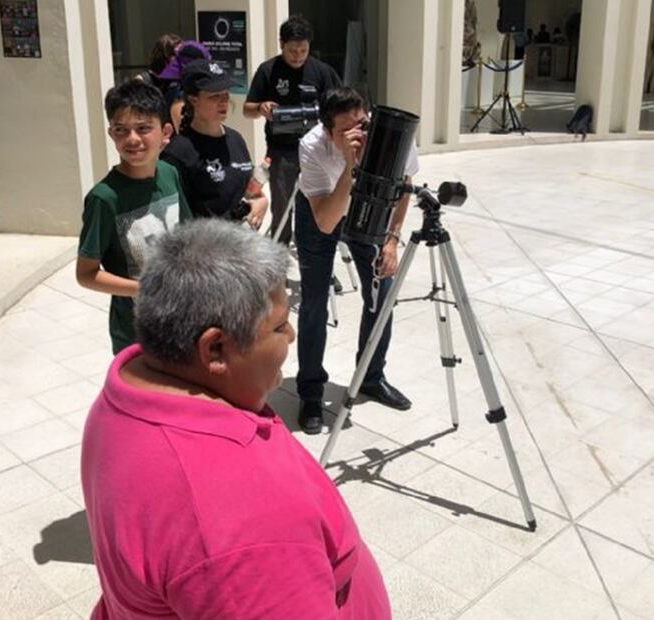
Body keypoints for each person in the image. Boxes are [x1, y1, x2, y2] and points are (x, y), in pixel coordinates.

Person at [81, 219, 392, 619]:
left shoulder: (127, 391)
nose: (292, 335)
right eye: (279, 325)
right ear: (215, 350)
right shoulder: (239, 521)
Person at [294, 87, 415, 435]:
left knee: (382, 293)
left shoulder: (391, 133)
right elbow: (326, 221)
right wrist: (350, 165)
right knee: (315, 300)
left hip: (369, 205)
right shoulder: (313, 145)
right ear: (329, 132)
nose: (361, 134)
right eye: (348, 131)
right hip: (321, 207)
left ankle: (371, 376)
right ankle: (311, 391)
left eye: (363, 124)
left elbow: (405, 186)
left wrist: (392, 240)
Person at [77, 80, 191, 354]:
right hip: (135, 331)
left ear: (165, 132)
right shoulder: (104, 198)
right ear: (111, 133)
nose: (133, 139)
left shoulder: (169, 174)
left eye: (143, 128)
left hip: (179, 317)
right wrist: (144, 289)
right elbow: (86, 274)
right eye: (121, 130)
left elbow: (187, 234)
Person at [244, 16, 342, 245]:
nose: (298, 56)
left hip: (318, 149)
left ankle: (318, 251)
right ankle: (280, 254)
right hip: (282, 151)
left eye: (303, 50)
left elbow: (342, 103)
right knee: (282, 207)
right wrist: (261, 107)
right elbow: (247, 109)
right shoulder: (268, 70)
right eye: (292, 51)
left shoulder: (322, 72)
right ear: (281, 44)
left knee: (320, 203)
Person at [161, 60, 268, 227]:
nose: (224, 101)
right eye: (214, 96)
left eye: (225, 94)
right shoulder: (177, 153)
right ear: (193, 99)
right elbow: (173, 219)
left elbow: (249, 191)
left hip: (244, 245)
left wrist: (261, 202)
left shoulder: (236, 139)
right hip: (205, 248)